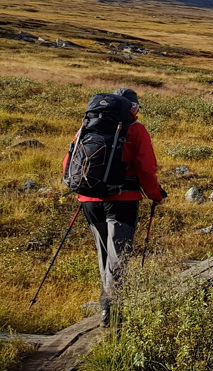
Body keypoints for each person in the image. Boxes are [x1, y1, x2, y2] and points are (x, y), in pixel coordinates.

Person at [64, 87, 165, 325]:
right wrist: (155, 195)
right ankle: (111, 310)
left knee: (104, 254)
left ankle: (107, 306)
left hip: (89, 200)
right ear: (132, 107)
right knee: (118, 256)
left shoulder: (87, 125)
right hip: (122, 201)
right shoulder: (135, 129)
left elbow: (69, 161)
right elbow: (146, 167)